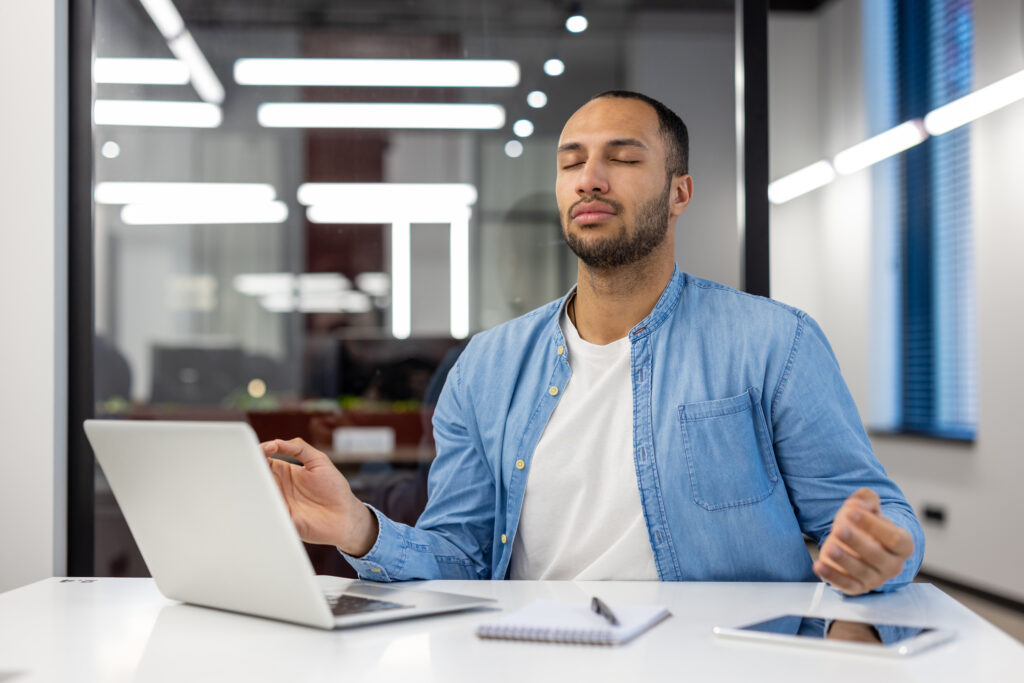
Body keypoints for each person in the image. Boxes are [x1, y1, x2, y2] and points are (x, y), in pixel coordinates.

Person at [262, 91, 923, 596]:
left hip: (714, 662)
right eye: (571, 161)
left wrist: (882, 552)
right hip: (535, 658)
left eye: (624, 157)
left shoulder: (773, 344)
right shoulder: (487, 368)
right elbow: (459, 558)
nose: (590, 178)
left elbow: (881, 517)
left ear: (680, 192)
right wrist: (357, 525)